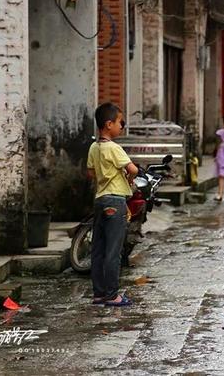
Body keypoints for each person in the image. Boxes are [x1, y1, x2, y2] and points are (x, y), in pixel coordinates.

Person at [87, 102, 138, 307]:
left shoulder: (94, 147)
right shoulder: (115, 148)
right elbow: (133, 169)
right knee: (113, 251)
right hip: (115, 200)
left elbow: (90, 173)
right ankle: (112, 294)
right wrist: (126, 174)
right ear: (109, 124)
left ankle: (99, 293)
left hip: (100, 200)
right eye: (120, 122)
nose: (121, 126)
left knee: (98, 249)